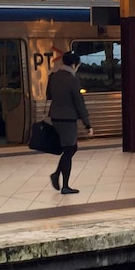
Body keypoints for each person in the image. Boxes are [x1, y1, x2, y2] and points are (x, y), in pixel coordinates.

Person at [46, 51, 92, 195]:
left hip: (55, 117)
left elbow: (49, 95)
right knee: (69, 150)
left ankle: (56, 174)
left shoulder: (53, 76)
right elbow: (79, 103)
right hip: (68, 119)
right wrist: (87, 124)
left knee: (71, 148)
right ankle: (64, 185)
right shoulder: (72, 80)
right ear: (74, 64)